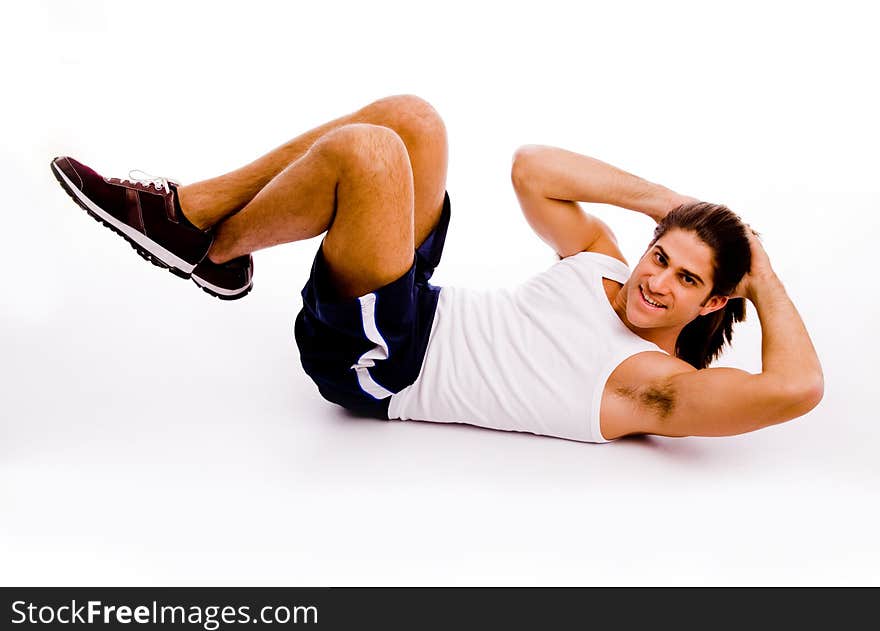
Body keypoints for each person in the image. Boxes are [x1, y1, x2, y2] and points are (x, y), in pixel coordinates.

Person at [50, 94, 824, 443]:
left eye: (687, 280)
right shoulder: (604, 267)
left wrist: (761, 268)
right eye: (662, 255)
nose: (657, 280)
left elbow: (797, 389)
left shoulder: (649, 384)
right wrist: (667, 201)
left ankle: (212, 246)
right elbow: (533, 169)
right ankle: (188, 213)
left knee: (372, 155)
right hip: (412, 304)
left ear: (716, 298)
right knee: (413, 120)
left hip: (385, 367)